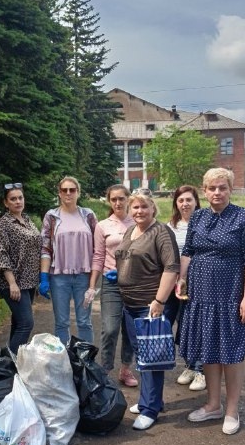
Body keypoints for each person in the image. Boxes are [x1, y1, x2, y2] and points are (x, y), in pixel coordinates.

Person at [176, 168, 245, 435]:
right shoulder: (198, 217)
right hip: (201, 294)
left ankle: (232, 411)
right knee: (209, 349)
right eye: (212, 188)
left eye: (222, 187)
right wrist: (182, 278)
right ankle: (213, 405)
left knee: (232, 352)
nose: (217, 193)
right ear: (205, 190)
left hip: (230, 294)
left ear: (231, 189)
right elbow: (188, 251)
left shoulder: (244, 217)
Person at [115, 189, 180, 431]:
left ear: (153, 208)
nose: (139, 211)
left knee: (152, 358)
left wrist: (159, 300)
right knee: (144, 356)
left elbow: (171, 267)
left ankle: (150, 409)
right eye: (135, 207)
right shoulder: (132, 229)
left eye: (144, 206)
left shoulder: (161, 232)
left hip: (148, 305)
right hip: (129, 304)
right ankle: (151, 400)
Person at [87, 184, 138, 387]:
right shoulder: (102, 226)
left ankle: (126, 369)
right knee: (109, 328)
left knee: (130, 328)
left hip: (135, 284)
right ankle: (105, 370)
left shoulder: (137, 221)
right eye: (114, 199)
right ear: (109, 201)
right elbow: (98, 256)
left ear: (128, 199)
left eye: (121, 199)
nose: (118, 202)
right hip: (111, 283)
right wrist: (92, 285)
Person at [39, 176, 97, 344]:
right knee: (62, 323)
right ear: (59, 193)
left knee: (84, 322)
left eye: (72, 189)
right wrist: (44, 277)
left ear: (78, 192)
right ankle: (63, 361)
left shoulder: (88, 215)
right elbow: (45, 248)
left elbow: (98, 247)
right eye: (64, 190)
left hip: (84, 276)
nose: (68, 193)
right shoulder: (52, 216)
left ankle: (85, 361)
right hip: (58, 277)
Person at [0, 183, 42, 353]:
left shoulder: (27, 220)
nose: (17, 201)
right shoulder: (3, 223)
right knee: (26, 323)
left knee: (18, 323)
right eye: (13, 199)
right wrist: (12, 283)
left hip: (29, 281)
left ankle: (14, 362)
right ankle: (9, 362)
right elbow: (1, 253)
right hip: (13, 282)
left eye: (20, 198)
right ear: (6, 203)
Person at [166, 185, 205, 392]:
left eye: (189, 200)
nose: (185, 204)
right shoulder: (170, 226)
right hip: (173, 283)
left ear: (196, 201)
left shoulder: (204, 223)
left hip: (198, 283)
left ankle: (200, 370)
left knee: (193, 325)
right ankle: (189, 365)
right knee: (177, 324)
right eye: (180, 200)